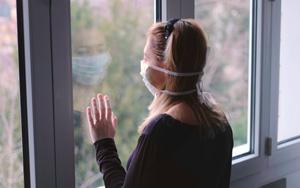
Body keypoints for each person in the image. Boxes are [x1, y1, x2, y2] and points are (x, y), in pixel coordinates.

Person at [86, 18, 233, 188]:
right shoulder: (220, 123)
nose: (143, 65)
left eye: (146, 58)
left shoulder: (162, 131)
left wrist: (104, 144)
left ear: (167, 66)